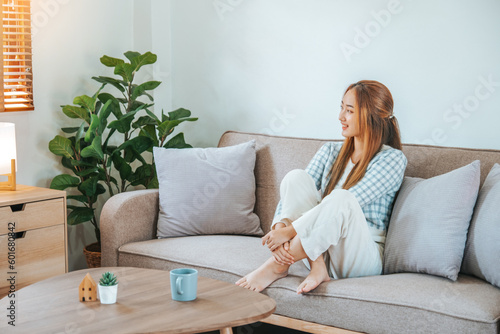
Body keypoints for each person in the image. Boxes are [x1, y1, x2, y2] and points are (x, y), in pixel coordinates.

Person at [236, 80, 407, 294]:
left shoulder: (392, 160)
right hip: (318, 250)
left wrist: (289, 232)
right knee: (295, 177)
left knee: (341, 198)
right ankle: (317, 267)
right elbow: (295, 195)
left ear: (371, 116)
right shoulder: (330, 151)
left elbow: (351, 199)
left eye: (349, 111)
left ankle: (278, 265)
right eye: (342, 107)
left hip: (358, 256)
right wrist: (280, 230)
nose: (341, 116)